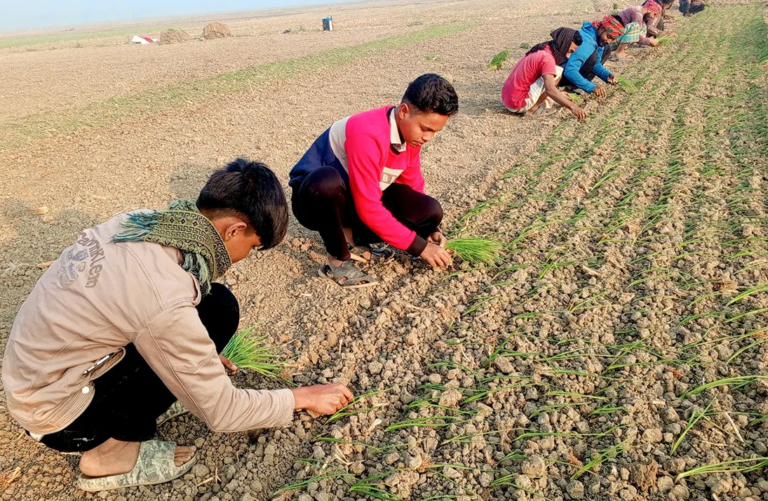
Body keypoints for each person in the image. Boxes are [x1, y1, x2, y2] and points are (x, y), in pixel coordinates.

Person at [1, 159, 354, 492]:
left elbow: (146, 309)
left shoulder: (145, 222)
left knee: (217, 307)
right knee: (203, 321)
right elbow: (222, 412)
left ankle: (160, 384)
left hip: (37, 370)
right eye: (253, 246)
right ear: (234, 229)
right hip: (56, 409)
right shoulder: (161, 295)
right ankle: (107, 453)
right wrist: (301, 397)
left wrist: (193, 353)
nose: (246, 257)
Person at [289, 74, 458, 288]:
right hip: (314, 200)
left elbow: (412, 185)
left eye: (435, 131)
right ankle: (337, 258)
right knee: (327, 181)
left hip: (354, 196)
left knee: (429, 210)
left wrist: (428, 231)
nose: (428, 138)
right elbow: (368, 207)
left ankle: (351, 238)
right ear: (404, 111)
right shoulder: (367, 134)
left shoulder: (411, 135)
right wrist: (420, 248)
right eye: (425, 128)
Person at [501, 28, 588, 120]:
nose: (568, 56)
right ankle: (532, 109)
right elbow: (550, 89)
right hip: (518, 103)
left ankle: (538, 102)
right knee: (558, 72)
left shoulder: (542, 49)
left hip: (507, 99)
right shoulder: (547, 59)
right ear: (564, 44)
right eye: (569, 51)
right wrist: (572, 106)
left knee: (552, 86)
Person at [561, 16, 626, 97]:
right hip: (559, 72)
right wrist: (591, 87)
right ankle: (572, 86)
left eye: (612, 39)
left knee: (607, 48)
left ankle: (576, 84)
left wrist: (606, 75)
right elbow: (570, 71)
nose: (609, 41)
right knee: (592, 56)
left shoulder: (597, 39)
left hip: (568, 70)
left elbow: (595, 64)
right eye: (608, 37)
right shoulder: (587, 42)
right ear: (602, 28)